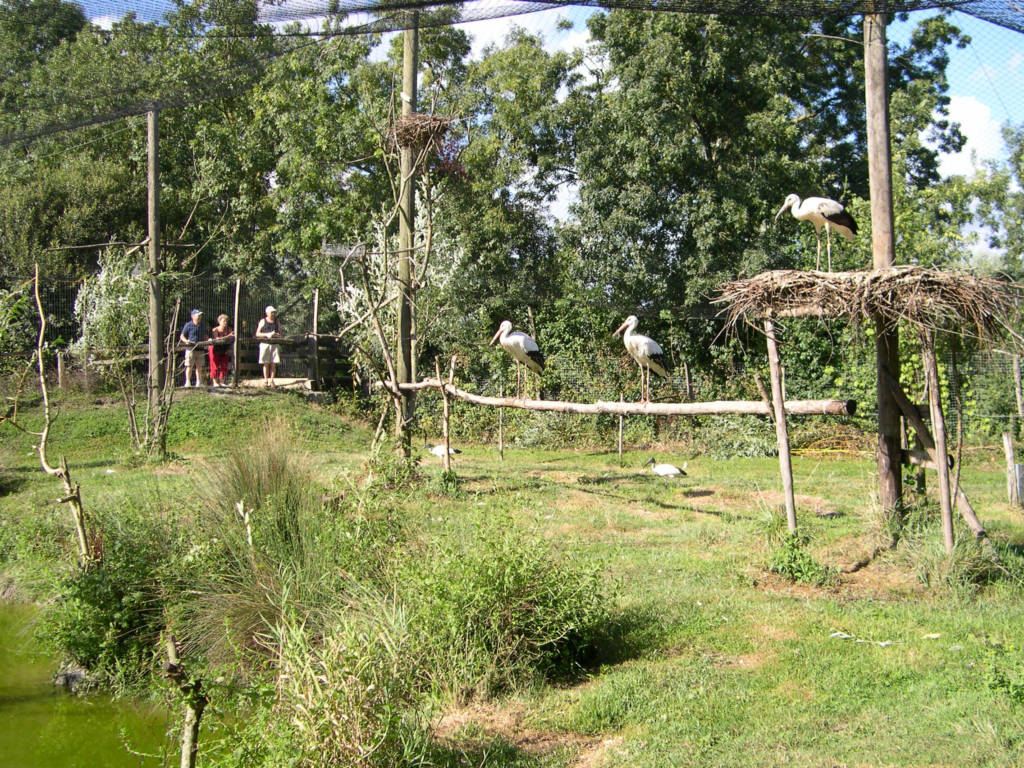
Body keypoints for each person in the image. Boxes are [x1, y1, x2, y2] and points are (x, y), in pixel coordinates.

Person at [179, 309, 209, 388]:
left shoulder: (203, 325)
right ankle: (188, 382)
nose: (200, 317)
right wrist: (186, 341)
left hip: (200, 349)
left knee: (199, 367)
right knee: (189, 366)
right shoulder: (188, 325)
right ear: (193, 316)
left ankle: (199, 382)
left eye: (200, 315)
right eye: (198, 315)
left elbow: (205, 335)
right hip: (190, 349)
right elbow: (182, 336)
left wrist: (208, 340)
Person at [256, 305, 282, 387]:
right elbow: (257, 334)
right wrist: (267, 334)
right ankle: (265, 380)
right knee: (266, 363)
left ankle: (272, 380)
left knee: (273, 364)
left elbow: (281, 334)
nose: (273, 314)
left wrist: (276, 335)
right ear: (267, 313)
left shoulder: (277, 321)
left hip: (274, 345)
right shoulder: (263, 321)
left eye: (274, 312)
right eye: (271, 312)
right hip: (265, 344)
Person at [208, 314, 234, 388]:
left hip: (225, 348)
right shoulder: (215, 330)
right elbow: (217, 339)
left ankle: (222, 381)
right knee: (214, 366)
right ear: (219, 322)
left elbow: (231, 339)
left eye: (226, 321)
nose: (225, 323)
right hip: (215, 349)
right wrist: (228, 336)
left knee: (224, 365)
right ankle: (215, 382)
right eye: (224, 321)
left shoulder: (229, 329)